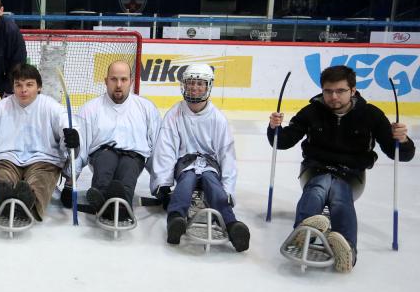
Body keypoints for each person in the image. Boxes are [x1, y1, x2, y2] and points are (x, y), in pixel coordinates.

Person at [268, 65, 414, 272]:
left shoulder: (371, 115)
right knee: (320, 186)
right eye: (328, 91)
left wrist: (403, 140)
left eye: (340, 91)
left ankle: (342, 248)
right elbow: (282, 142)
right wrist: (274, 128)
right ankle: (304, 234)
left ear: (353, 91)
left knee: (338, 192)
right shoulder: (312, 112)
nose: (333, 96)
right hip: (314, 169)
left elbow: (400, 154)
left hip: (352, 175)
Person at [0, 63, 80, 222]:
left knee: (40, 181)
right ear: (13, 87)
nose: (24, 90)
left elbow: (67, 124)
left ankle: (30, 204)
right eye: (18, 85)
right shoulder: (2, 107)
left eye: (29, 84)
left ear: (39, 87)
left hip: (43, 160)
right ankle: (5, 203)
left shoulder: (51, 106)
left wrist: (72, 137)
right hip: (7, 158)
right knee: (3, 179)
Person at [152, 64, 250, 252]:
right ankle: (176, 220)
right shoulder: (174, 115)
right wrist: (163, 182)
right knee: (185, 184)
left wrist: (228, 189)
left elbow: (226, 154)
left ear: (208, 87)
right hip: (185, 165)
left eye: (200, 84)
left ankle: (231, 224)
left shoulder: (217, 119)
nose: (195, 88)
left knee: (214, 185)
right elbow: (166, 149)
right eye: (190, 83)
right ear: (184, 85)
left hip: (209, 166)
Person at [66, 60, 161, 222]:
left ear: (131, 81)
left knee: (128, 171)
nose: (118, 84)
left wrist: (161, 184)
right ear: (105, 81)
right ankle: (103, 197)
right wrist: (70, 181)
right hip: (101, 154)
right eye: (113, 79)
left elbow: (157, 147)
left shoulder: (146, 108)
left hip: (133, 156)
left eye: (123, 79)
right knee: (106, 163)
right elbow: (81, 148)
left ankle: (121, 205)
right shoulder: (90, 109)